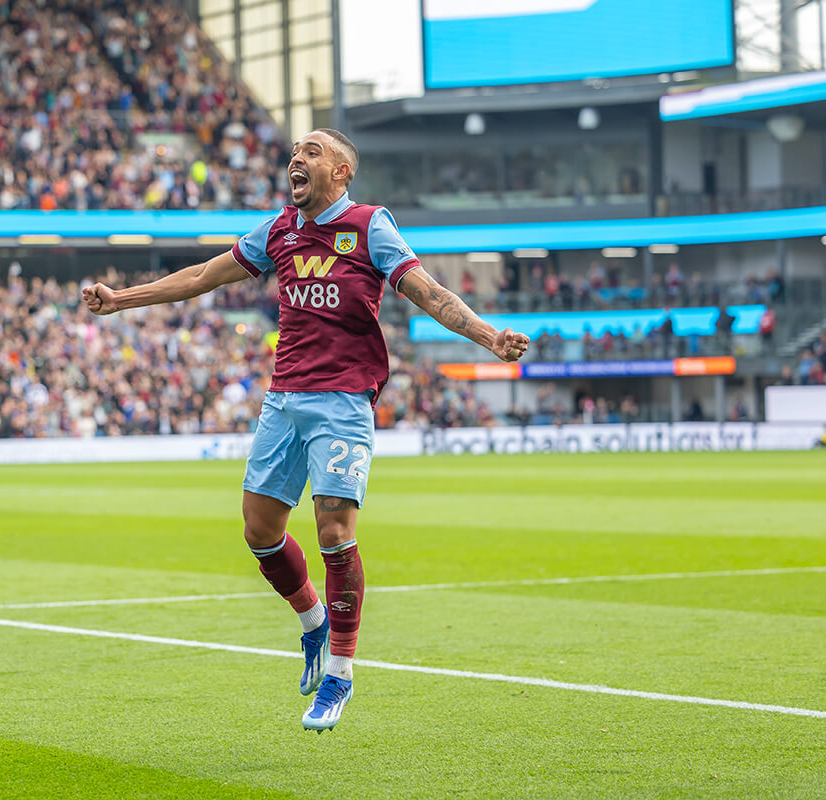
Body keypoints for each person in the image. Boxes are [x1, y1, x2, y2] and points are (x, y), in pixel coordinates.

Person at [82, 129, 529, 732]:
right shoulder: (277, 231)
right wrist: (120, 299)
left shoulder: (370, 225)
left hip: (343, 400)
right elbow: (201, 277)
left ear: (341, 172)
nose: (298, 158)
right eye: (296, 150)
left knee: (333, 527)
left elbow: (429, 293)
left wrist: (488, 336)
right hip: (284, 400)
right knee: (260, 530)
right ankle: (314, 618)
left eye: (313, 151)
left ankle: (340, 677)